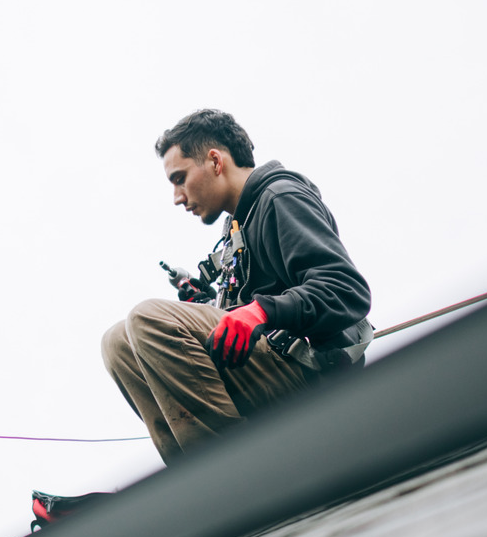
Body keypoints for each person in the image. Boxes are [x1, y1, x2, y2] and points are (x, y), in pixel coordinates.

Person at [102, 109, 370, 462]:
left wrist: (259, 312)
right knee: (117, 342)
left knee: (147, 317)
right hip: (267, 367)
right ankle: (192, 472)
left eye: (180, 178)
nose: (177, 197)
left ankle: (232, 471)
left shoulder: (280, 196)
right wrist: (211, 306)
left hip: (313, 378)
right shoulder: (236, 228)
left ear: (215, 161)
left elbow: (345, 289)